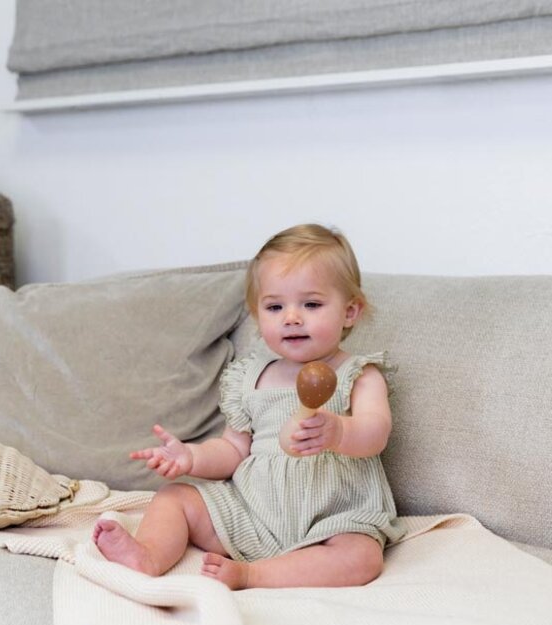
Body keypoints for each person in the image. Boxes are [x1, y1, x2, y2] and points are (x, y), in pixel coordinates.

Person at [93, 223, 405, 589]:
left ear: (350, 312)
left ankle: (253, 574)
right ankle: (147, 555)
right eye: (275, 306)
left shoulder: (358, 374)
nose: (291, 317)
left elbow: (376, 432)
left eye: (311, 304)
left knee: (362, 558)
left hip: (332, 515)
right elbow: (233, 450)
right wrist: (191, 458)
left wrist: (338, 431)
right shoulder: (250, 377)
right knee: (174, 498)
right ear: (258, 316)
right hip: (251, 511)